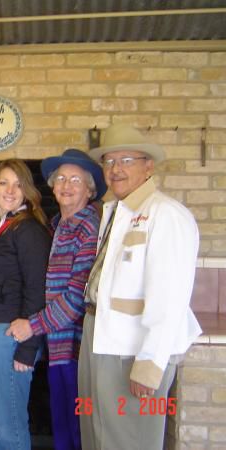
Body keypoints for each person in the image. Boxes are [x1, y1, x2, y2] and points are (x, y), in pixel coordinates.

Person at [79, 124, 202, 450]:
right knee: (98, 434)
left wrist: (150, 364)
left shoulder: (166, 214)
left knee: (129, 440)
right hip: (99, 337)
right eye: (109, 162)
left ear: (149, 165)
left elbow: (170, 297)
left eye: (127, 160)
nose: (115, 169)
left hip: (132, 350)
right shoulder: (116, 212)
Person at [6, 149, 106, 450]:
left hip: (77, 349)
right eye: (61, 178)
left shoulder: (89, 227)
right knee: (62, 424)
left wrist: (32, 326)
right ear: (51, 185)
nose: (66, 184)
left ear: (89, 190)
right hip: (57, 346)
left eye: (76, 179)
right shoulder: (55, 226)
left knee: (79, 426)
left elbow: (77, 295)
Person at [0, 159, 51, 450]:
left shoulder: (28, 230)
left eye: (18, 184)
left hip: (11, 336)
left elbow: (39, 289)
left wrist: (29, 348)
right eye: (4, 182)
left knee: (9, 423)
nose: (10, 190)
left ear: (27, 191)